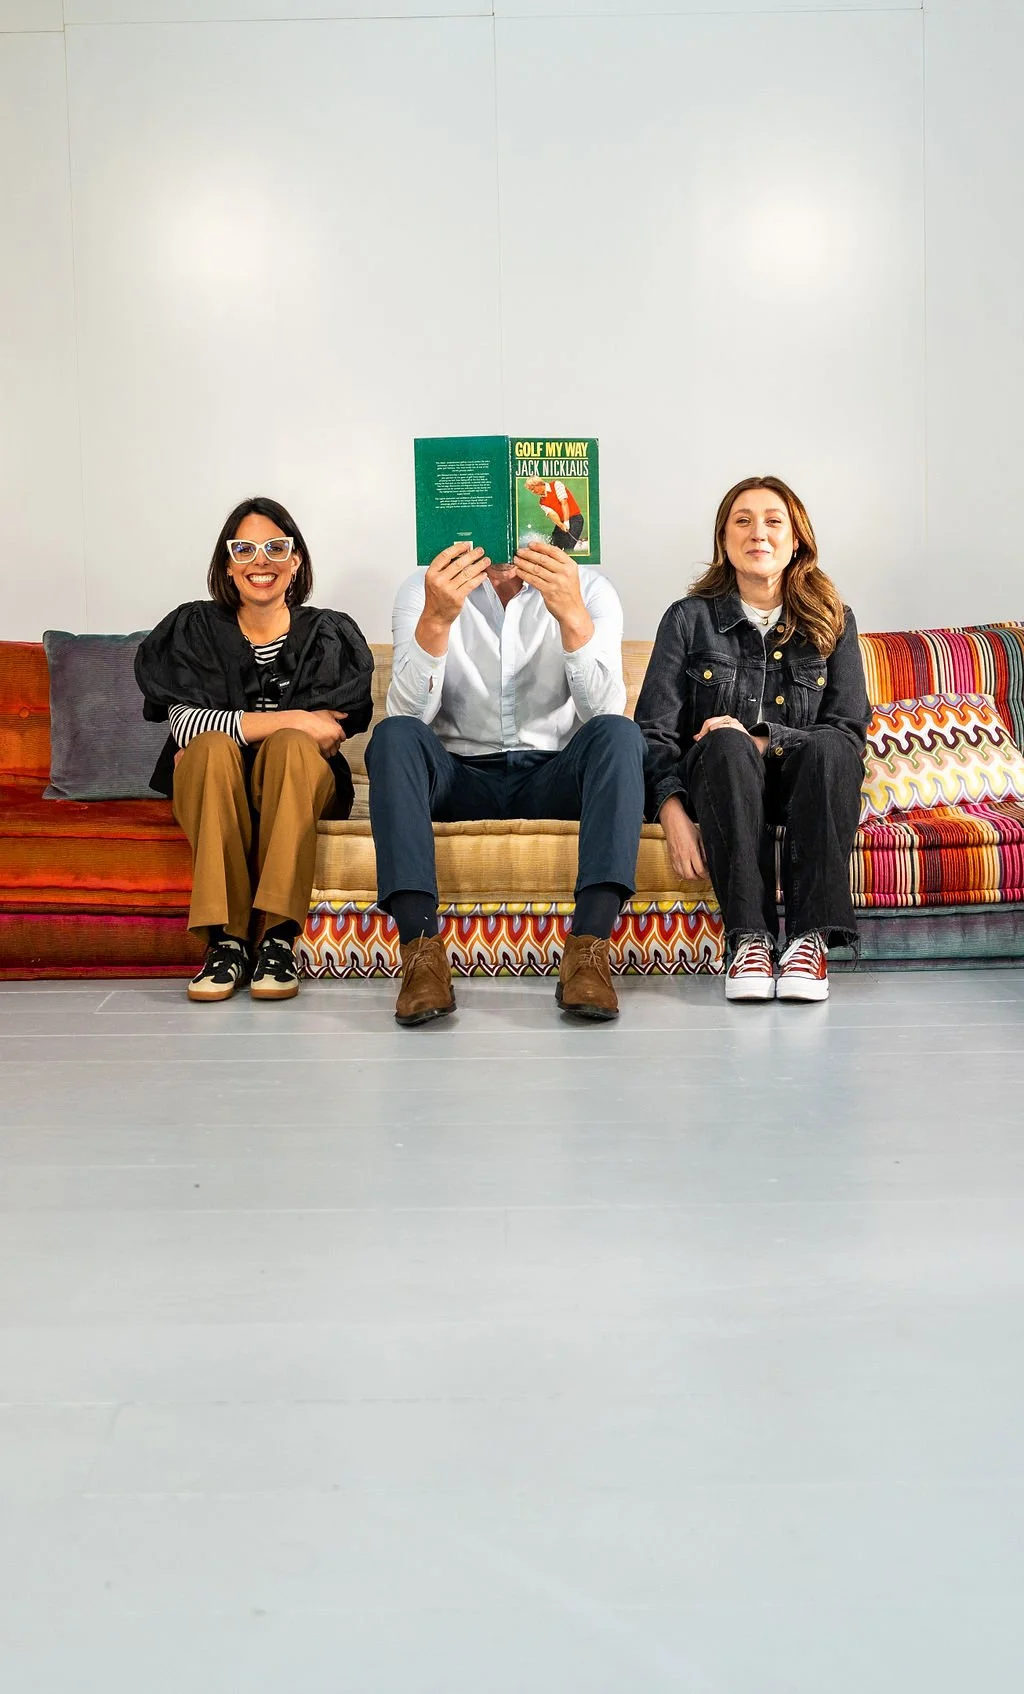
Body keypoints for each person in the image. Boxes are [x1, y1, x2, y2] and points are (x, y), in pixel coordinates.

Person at [365, 538, 645, 1025]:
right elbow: (408, 713)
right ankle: (421, 956)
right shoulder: (422, 588)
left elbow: (603, 712)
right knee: (393, 736)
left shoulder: (591, 589)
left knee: (620, 735)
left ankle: (588, 952)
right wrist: (437, 620)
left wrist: (572, 615)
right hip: (459, 776)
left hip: (552, 775)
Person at [635, 476, 869, 1002]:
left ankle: (809, 942)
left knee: (830, 747)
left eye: (773, 521)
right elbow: (652, 732)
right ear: (724, 540)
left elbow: (847, 729)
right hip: (719, 786)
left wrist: (764, 740)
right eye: (742, 521)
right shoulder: (688, 619)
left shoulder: (835, 620)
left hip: (809, 785)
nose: (757, 532)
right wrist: (671, 812)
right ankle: (750, 941)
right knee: (724, 744)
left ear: (796, 540)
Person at [135, 496, 373, 1003]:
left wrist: (272, 729)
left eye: (275, 548)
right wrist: (296, 717)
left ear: (296, 560)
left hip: (299, 786)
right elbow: (186, 725)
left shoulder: (328, 634)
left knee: (290, 748)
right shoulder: (194, 628)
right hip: (214, 787)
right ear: (227, 564)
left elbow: (329, 734)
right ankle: (227, 943)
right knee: (209, 750)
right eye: (243, 549)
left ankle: (278, 939)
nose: (260, 561)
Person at [525, 477, 586, 552]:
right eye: (531, 490)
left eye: (533, 489)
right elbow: (552, 514)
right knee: (553, 547)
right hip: (561, 522)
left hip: (576, 519)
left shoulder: (556, 485)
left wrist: (566, 522)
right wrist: (561, 525)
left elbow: (564, 503)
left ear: (539, 484)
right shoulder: (542, 503)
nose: (533, 492)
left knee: (568, 548)